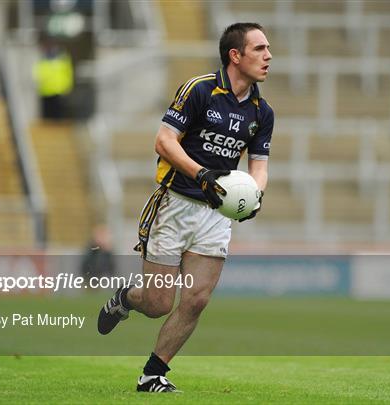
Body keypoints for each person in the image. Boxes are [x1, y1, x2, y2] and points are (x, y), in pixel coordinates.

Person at [97, 22, 274, 393]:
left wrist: (255, 194)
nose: (268, 56)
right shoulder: (200, 90)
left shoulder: (262, 112)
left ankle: (153, 375)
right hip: (174, 205)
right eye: (259, 49)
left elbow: (259, 164)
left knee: (197, 299)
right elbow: (164, 141)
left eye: (268, 49)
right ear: (235, 55)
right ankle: (126, 298)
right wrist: (202, 174)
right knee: (158, 302)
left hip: (216, 215)